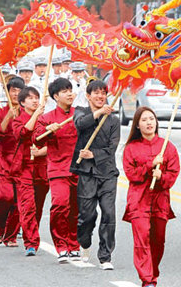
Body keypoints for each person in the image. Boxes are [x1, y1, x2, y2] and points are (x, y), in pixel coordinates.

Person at [122, 107, 180, 287]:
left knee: (158, 240)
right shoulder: (131, 148)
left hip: (160, 200)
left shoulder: (167, 147)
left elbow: (173, 174)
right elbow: (131, 174)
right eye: (144, 120)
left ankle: (152, 271)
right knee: (142, 239)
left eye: (151, 119)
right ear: (137, 125)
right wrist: (150, 165)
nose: (149, 123)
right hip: (138, 200)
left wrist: (161, 176)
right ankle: (147, 279)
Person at [70, 79, 120, 270]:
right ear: (88, 95)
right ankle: (84, 242)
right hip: (86, 173)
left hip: (107, 172)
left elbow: (112, 147)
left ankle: (105, 256)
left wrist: (94, 155)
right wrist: (98, 112)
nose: (100, 96)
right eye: (96, 93)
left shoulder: (113, 120)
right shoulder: (80, 112)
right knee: (87, 215)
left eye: (103, 93)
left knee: (108, 213)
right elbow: (80, 125)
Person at [33, 78, 80, 263]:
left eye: (71, 90)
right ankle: (60, 245)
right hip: (58, 169)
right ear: (55, 96)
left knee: (77, 209)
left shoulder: (80, 115)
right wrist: (48, 130)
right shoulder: (46, 118)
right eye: (64, 91)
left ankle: (73, 243)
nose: (69, 94)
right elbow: (37, 139)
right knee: (61, 205)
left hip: (78, 168)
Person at [11, 87, 49, 256]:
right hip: (24, 168)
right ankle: (31, 242)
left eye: (37, 98)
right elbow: (23, 132)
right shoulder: (17, 120)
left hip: (43, 167)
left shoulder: (46, 120)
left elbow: (55, 142)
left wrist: (43, 151)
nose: (35, 101)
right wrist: (36, 115)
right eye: (31, 98)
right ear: (22, 103)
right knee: (28, 206)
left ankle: (31, 232)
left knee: (38, 206)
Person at [0, 76, 25, 247]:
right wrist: (8, 117)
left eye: (19, 91)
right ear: (7, 92)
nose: (16, 94)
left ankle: (10, 235)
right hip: (4, 160)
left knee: (19, 202)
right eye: (13, 90)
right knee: (5, 197)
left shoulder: (28, 114)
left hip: (23, 162)